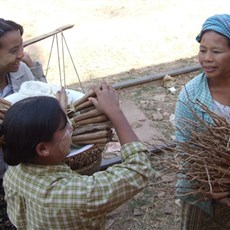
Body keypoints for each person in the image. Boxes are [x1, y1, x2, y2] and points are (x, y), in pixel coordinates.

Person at [2, 82, 152, 229]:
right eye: (64, 127)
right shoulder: (76, 195)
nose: (71, 127)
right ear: (42, 149)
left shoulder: (13, 173)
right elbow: (138, 169)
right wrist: (116, 113)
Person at [175, 14, 230, 229]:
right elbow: (186, 150)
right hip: (203, 187)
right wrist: (213, 187)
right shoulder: (191, 95)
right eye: (202, 50)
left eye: (216, 51)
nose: (207, 58)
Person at [0, 18, 46, 228]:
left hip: (25, 165)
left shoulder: (20, 70)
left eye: (21, 46)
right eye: (13, 50)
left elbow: (42, 99)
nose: (21, 54)